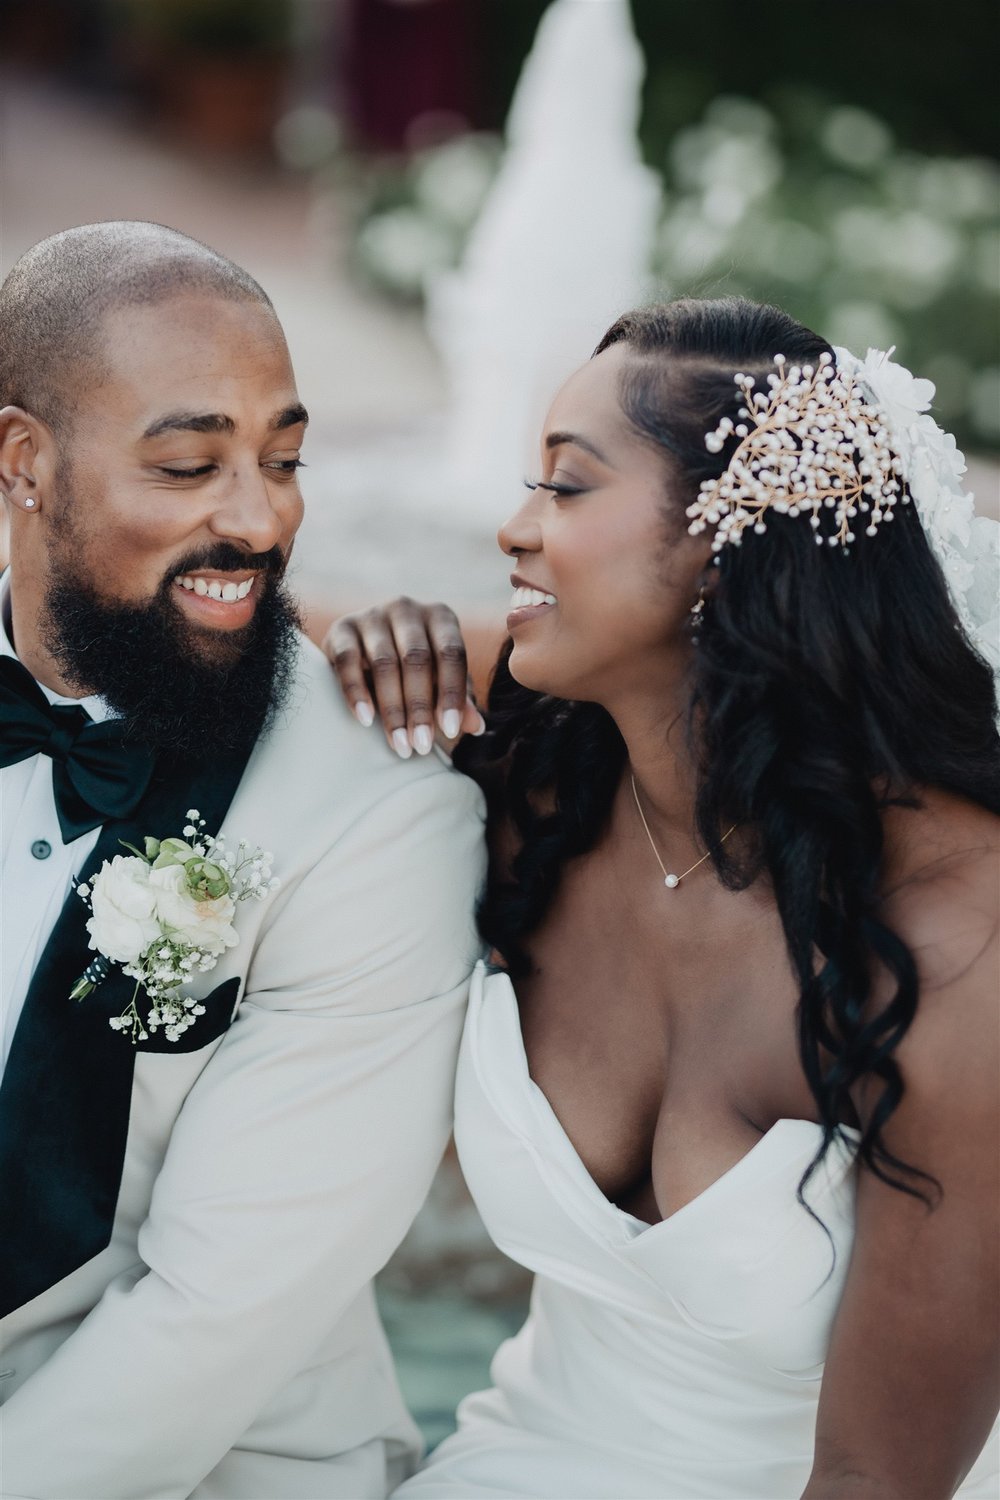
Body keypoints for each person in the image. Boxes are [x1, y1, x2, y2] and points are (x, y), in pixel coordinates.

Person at [328, 298, 1000, 1499]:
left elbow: (877, 1479)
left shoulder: (961, 945)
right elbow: (197, 645)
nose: (511, 530)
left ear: (724, 541)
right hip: (520, 1460)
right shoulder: (544, 761)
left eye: (566, 488)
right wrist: (368, 646)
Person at [0, 221, 484, 1500]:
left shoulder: (377, 816)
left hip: (215, 1464)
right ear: (23, 462)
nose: (262, 518)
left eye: (283, 458)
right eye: (187, 464)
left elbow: (212, 1321)